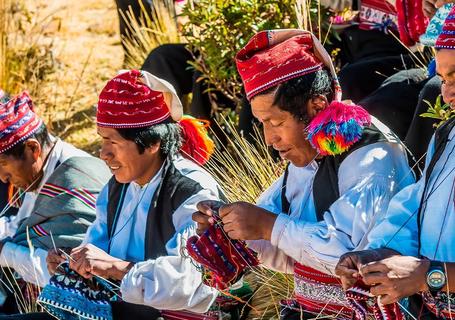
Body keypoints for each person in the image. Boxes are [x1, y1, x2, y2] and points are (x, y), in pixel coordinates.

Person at [193, 29, 415, 319]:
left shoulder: (373, 157)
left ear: (317, 105)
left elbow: (346, 255)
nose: (269, 138)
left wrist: (268, 225)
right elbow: (283, 248)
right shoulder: (308, 156)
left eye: (275, 122)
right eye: (262, 123)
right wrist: (230, 229)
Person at [41, 70, 222, 320]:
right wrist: (76, 263)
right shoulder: (118, 185)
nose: (103, 153)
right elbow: (98, 246)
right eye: (102, 140)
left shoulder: (192, 191)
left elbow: (190, 281)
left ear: (151, 144)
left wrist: (115, 268)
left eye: (112, 142)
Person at [335, 7, 455, 318]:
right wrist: (376, 254)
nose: (446, 93)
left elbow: (428, 275)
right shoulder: (446, 135)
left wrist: (428, 275)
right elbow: (414, 205)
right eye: (442, 78)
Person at [0, 92, 110, 314]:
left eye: (3, 164)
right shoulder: (39, 173)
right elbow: (22, 230)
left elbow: (76, 273)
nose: (2, 178)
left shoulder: (76, 181)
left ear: (33, 149)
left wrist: (7, 252)